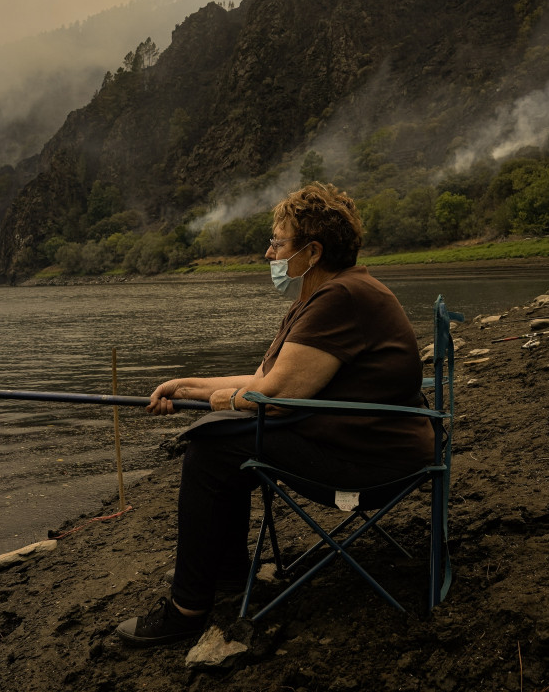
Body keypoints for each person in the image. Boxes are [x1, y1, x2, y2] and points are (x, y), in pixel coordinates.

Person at [115, 182, 432, 647]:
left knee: (212, 446)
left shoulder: (341, 299)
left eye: (278, 243)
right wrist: (186, 386)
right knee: (225, 436)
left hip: (374, 464)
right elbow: (263, 376)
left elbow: (273, 396)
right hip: (370, 445)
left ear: (313, 250)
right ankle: (226, 575)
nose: (268, 254)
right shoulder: (323, 297)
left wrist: (218, 404)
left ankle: (186, 609)